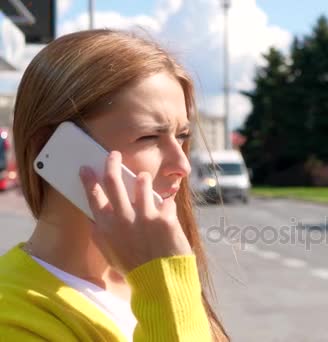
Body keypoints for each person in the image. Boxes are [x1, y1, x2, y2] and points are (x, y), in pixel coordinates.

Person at [0, 29, 229, 341]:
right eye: (149, 137)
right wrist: (164, 281)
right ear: (52, 147)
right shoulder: (13, 317)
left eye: (182, 136)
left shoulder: (140, 273)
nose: (183, 166)